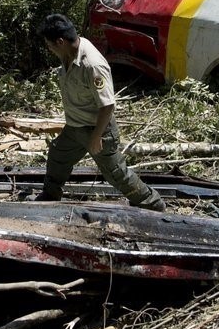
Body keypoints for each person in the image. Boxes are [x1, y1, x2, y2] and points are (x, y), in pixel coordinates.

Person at [31, 14, 166, 211]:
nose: (49, 48)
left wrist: (96, 136)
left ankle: (152, 203)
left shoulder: (92, 65)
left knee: (116, 173)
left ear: (60, 42)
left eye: (49, 45)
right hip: (75, 127)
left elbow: (107, 105)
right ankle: (50, 194)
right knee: (58, 156)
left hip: (97, 129)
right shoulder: (68, 53)